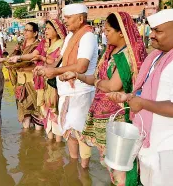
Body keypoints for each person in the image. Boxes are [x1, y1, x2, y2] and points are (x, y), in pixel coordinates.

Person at [61, 12, 147, 184]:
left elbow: (113, 86)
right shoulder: (111, 52)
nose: (104, 33)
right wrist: (77, 75)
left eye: (108, 30)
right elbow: (96, 79)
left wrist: (98, 82)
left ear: (121, 31)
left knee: (121, 166)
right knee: (110, 163)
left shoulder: (127, 55)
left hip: (121, 120)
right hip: (106, 119)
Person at [108, 9, 173, 186]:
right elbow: (147, 90)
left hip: (167, 145)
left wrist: (143, 103)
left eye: (158, 31)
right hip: (148, 139)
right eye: (152, 30)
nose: (151, 35)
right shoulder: (155, 57)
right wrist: (129, 96)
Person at [34, 4, 98, 167]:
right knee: (68, 131)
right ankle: (73, 164)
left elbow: (81, 66)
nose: (65, 21)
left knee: (81, 132)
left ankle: (84, 169)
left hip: (81, 91)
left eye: (68, 18)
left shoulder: (88, 36)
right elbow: (59, 60)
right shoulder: (70, 36)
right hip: (66, 91)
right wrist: (47, 69)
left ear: (81, 19)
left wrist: (54, 73)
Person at [9, 19, 67, 142]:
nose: (46, 31)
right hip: (40, 81)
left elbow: (58, 63)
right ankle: (48, 144)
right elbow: (32, 56)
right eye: (45, 28)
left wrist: (43, 58)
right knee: (45, 111)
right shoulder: (43, 44)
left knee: (54, 111)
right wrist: (18, 57)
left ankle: (57, 143)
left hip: (54, 83)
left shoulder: (62, 44)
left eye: (49, 29)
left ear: (57, 30)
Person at [0, 22, 40, 129]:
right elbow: (12, 60)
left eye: (28, 30)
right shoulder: (21, 47)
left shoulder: (38, 46)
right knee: (24, 113)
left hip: (32, 82)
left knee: (37, 114)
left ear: (35, 33)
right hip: (20, 83)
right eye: (24, 30)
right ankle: (28, 139)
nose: (25, 32)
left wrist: (22, 67)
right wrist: (10, 56)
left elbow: (38, 64)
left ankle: (36, 139)